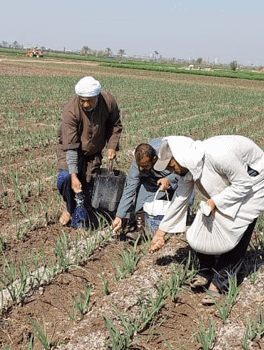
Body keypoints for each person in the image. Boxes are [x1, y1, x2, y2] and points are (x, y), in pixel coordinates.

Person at [149, 135, 264, 305]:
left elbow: (243, 185)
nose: (171, 171)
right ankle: (206, 271)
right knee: (205, 219)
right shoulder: (189, 165)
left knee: (238, 227)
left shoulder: (218, 155)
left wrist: (217, 201)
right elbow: (180, 198)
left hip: (253, 178)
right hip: (233, 182)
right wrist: (161, 232)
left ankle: (220, 283)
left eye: (171, 165)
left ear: (180, 158)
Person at [54, 76, 122, 227]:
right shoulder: (71, 111)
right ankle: (70, 209)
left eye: (89, 100)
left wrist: (112, 145)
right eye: (82, 100)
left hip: (93, 153)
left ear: (97, 96)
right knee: (66, 179)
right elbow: (71, 147)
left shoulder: (108, 101)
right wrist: (73, 175)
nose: (85, 104)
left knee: (87, 185)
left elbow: (115, 124)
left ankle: (79, 213)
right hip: (70, 150)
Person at [110, 140, 179, 236]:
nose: (141, 169)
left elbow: (185, 174)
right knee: (143, 192)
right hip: (153, 181)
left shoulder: (168, 154)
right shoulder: (138, 161)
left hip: (177, 181)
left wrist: (169, 179)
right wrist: (119, 216)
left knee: (180, 199)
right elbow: (129, 189)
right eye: (140, 166)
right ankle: (141, 229)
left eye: (145, 165)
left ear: (154, 159)